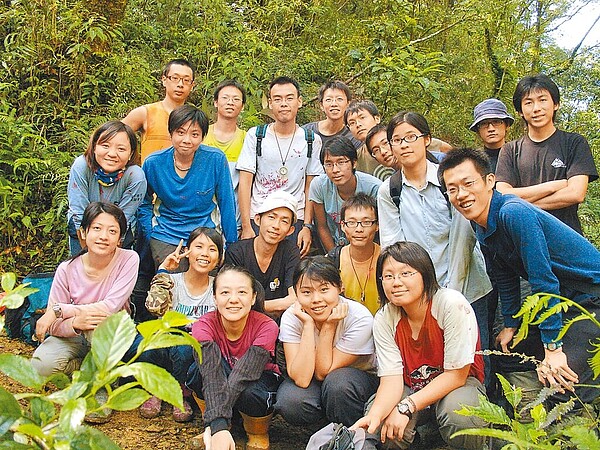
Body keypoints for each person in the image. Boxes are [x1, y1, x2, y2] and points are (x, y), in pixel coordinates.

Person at [439, 147, 600, 408]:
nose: (461, 194)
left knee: (561, 378)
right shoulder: (481, 223)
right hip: (562, 301)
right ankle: (525, 411)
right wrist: (512, 323)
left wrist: (553, 347)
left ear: (490, 181)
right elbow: (505, 277)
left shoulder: (513, 213)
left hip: (589, 300)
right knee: (508, 353)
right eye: (452, 188)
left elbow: (543, 281)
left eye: (468, 183)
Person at [352, 242, 487, 449]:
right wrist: (374, 417)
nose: (396, 282)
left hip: (459, 384)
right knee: (385, 425)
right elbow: (391, 380)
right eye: (388, 276)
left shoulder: (451, 304)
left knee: (461, 414)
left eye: (406, 273)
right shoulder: (384, 318)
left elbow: (456, 375)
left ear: (425, 274)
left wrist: (406, 407)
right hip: (410, 385)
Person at [377, 111, 492, 356]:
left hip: (468, 286)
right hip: (419, 293)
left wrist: (450, 293)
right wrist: (415, 291)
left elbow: (463, 239)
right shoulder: (390, 191)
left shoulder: (449, 180)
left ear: (427, 139)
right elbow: (393, 248)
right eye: (397, 140)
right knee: (433, 360)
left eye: (411, 137)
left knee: (475, 358)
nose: (404, 145)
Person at [129, 227, 224, 422]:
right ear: (187, 251)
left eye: (212, 249)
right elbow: (153, 307)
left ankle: (181, 392)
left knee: (184, 347)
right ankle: (156, 388)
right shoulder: (171, 281)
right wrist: (163, 270)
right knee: (142, 342)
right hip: (165, 343)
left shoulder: (220, 286)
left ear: (219, 259)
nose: (205, 254)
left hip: (194, 350)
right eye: (199, 246)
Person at [32, 202, 139, 376]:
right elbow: (51, 325)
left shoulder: (128, 259)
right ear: (83, 232)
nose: (103, 236)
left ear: (120, 239)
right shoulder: (66, 269)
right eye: (97, 228)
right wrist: (74, 323)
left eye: (112, 231)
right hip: (72, 335)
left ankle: (104, 376)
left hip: (109, 333)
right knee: (40, 366)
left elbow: (109, 307)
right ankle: (82, 368)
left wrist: (60, 310)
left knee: (97, 322)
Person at [275, 256, 379, 427]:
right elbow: (301, 379)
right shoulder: (292, 317)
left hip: (356, 380)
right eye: (306, 292)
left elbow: (324, 372)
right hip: (315, 380)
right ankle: (324, 426)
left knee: (338, 384)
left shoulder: (359, 317)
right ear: (296, 293)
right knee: (291, 400)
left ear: (340, 287)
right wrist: (308, 326)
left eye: (324, 289)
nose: (316, 299)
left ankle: (353, 432)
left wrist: (329, 326)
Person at [186, 265, 281, 450]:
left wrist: (216, 422)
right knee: (198, 371)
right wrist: (218, 425)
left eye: (242, 292)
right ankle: (218, 427)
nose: (233, 300)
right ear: (214, 298)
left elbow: (245, 373)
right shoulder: (203, 324)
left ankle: (256, 431)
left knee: (249, 389)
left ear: (253, 297)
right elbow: (211, 373)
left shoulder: (267, 326)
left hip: (256, 381)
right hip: (220, 381)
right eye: (225, 292)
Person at [495, 74, 598, 234]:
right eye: (528, 103)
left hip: (567, 237)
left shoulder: (574, 143)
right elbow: (502, 194)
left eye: (542, 100)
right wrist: (553, 186)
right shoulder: (510, 150)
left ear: (556, 104)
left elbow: (576, 194)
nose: (536, 108)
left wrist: (522, 205)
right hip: (524, 236)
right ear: (520, 111)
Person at [138, 104, 237, 271]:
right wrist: (150, 233)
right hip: (166, 233)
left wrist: (232, 246)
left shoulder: (215, 160)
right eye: (180, 132)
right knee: (172, 280)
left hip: (204, 233)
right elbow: (143, 202)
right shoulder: (154, 163)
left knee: (207, 283)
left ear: (203, 136)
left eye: (195, 134)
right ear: (171, 133)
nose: (186, 140)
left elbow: (226, 203)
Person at [237, 76, 323, 257]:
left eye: (289, 98)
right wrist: (246, 225)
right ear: (270, 103)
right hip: (259, 214)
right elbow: (245, 182)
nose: (284, 104)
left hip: (294, 218)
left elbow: (311, 186)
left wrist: (307, 226)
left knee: (290, 272)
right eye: (277, 99)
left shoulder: (311, 140)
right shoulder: (256, 136)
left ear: (299, 101)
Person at [67, 121, 146, 255]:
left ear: (131, 153)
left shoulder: (135, 176)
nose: (112, 154)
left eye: (121, 149)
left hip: (119, 233)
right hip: (82, 229)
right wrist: (88, 252)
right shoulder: (81, 166)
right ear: (94, 147)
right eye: (105, 146)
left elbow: (123, 218)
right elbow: (78, 210)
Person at [225, 190, 301, 319]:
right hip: (241, 321)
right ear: (258, 219)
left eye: (284, 221)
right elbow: (231, 302)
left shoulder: (290, 251)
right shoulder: (237, 252)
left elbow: (294, 299)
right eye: (271, 217)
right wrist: (279, 304)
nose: (276, 226)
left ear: (290, 230)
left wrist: (252, 306)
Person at [309, 136, 381, 252]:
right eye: (329, 164)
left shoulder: (374, 188)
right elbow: (322, 226)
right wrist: (335, 257)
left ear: (354, 163)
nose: (335, 170)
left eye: (341, 162)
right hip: (334, 246)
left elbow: (381, 227)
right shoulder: (319, 185)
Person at [122, 59, 195, 162]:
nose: (180, 84)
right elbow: (113, 135)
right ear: (164, 80)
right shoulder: (146, 113)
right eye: (175, 78)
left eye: (186, 80)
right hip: (150, 176)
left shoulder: (194, 119)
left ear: (192, 86)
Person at [203, 80, 247, 233]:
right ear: (215, 102)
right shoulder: (200, 136)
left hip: (235, 217)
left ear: (242, 106)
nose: (230, 103)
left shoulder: (247, 139)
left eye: (236, 99)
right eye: (225, 98)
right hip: (203, 218)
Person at [327, 193, 380, 315]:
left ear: (377, 225)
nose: (359, 229)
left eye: (366, 222)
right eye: (352, 222)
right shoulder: (334, 259)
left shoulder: (387, 259)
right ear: (343, 226)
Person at [303, 80, 362, 150]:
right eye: (329, 100)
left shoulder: (353, 137)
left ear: (348, 104)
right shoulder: (306, 132)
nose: (334, 104)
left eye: (339, 99)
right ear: (321, 105)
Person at [468, 98, 514, 173]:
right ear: (478, 131)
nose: (491, 129)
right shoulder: (474, 163)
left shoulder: (518, 156)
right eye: (484, 124)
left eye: (496, 122)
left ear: (507, 125)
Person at [344, 100, 385, 177]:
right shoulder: (356, 158)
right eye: (352, 123)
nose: (358, 124)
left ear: (377, 119)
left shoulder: (395, 145)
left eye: (362, 118)